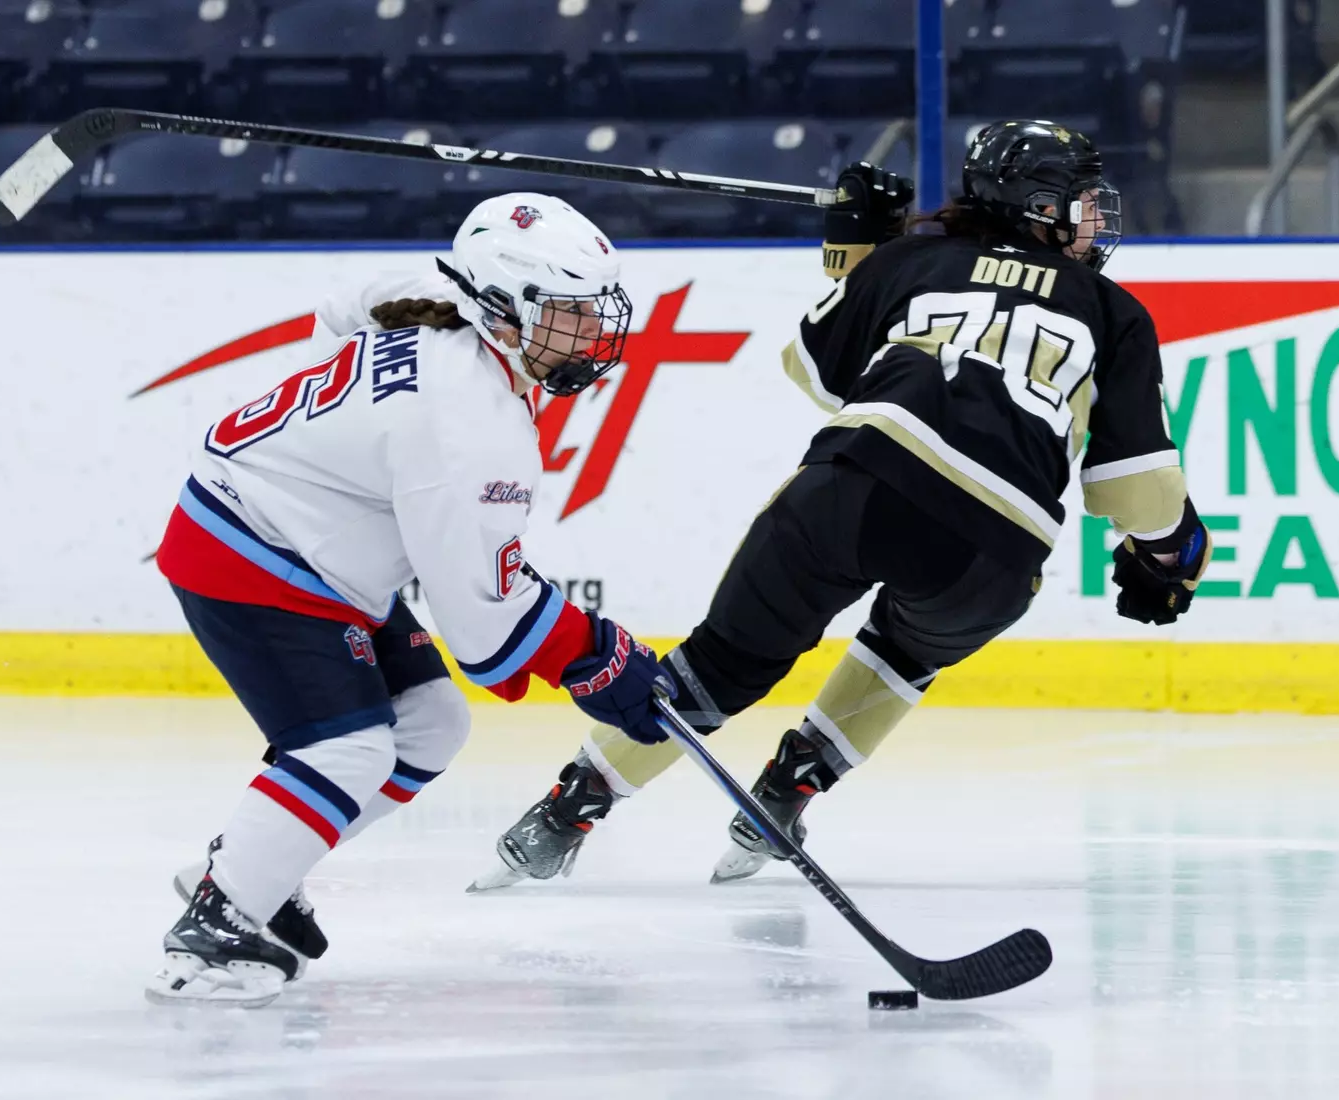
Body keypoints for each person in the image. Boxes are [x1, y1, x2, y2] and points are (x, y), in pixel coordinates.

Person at [471, 121, 1212, 892]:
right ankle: (796, 781)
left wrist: (857, 252)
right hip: (998, 544)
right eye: (1085, 202)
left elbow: (821, 376)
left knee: (718, 668)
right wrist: (1173, 557)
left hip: (859, 480)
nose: (1096, 219)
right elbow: (1139, 492)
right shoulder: (1113, 309)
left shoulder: (913, 259)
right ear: (1039, 205)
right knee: (908, 652)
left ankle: (566, 810)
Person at [147, 192, 672, 1006]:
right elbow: (484, 630)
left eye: (597, 311)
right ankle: (215, 926)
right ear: (503, 305)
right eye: (571, 315)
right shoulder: (470, 425)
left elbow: (339, 312)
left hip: (302, 544)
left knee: (431, 723)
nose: (596, 335)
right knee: (348, 751)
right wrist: (596, 658)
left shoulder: (427, 307)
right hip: (255, 556)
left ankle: (253, 858)